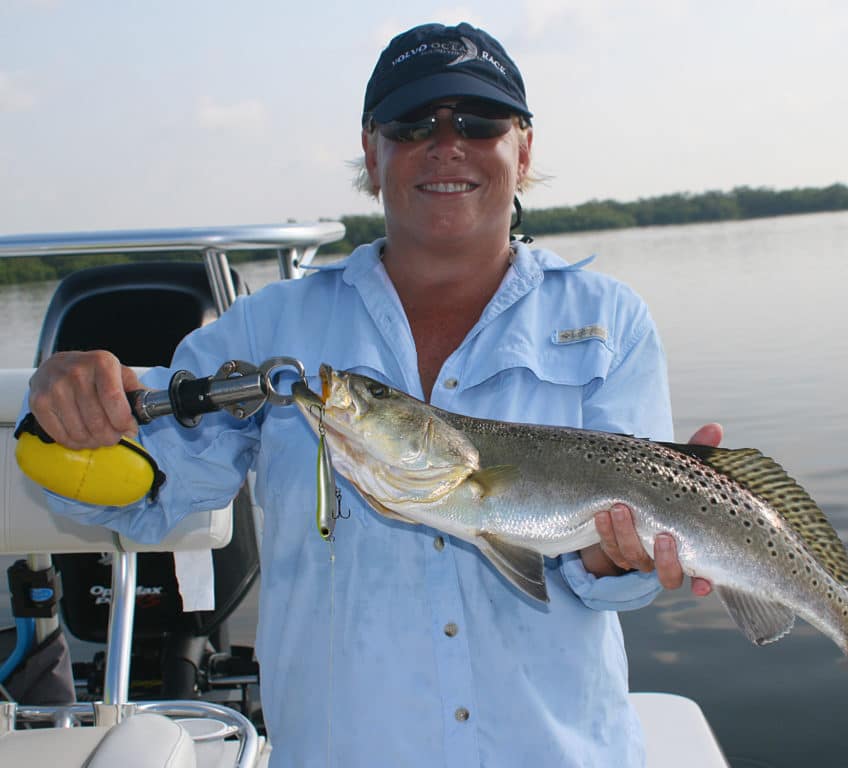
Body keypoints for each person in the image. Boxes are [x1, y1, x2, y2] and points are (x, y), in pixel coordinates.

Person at [28, 22, 719, 767]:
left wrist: (618, 562)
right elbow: (141, 496)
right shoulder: (270, 331)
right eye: (413, 122)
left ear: (523, 149)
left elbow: (614, 589)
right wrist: (71, 405)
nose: (447, 144)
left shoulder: (610, 323)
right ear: (372, 150)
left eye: (480, 122)